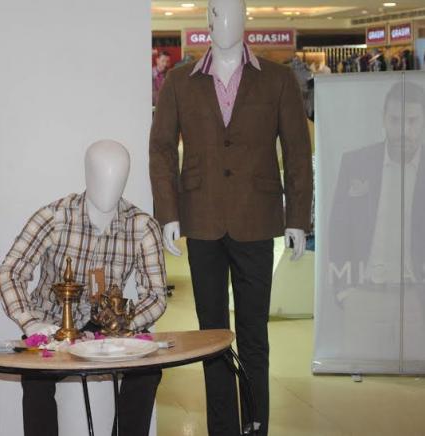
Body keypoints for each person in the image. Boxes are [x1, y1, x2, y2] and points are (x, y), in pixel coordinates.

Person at [149, 0, 313, 434]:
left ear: (246, 19)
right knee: (211, 337)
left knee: (254, 335)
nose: (227, 21)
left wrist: (298, 217)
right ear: (208, 19)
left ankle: (255, 425)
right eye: (219, 13)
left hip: (256, 219)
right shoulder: (180, 81)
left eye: (235, 12)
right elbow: (161, 149)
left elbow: (297, 152)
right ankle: (221, 428)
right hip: (201, 220)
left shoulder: (277, 79)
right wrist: (168, 212)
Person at [0, 140, 167, 436]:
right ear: (88, 175)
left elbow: (156, 295)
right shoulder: (54, 217)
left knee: (148, 370)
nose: (110, 186)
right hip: (52, 322)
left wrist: (123, 323)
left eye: (118, 178)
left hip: (108, 321)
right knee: (35, 377)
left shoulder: (142, 226)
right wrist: (31, 323)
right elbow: (10, 272)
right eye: (102, 176)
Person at [329, 81, 425, 363]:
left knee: (415, 384)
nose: (404, 130)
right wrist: (345, 292)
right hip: (364, 294)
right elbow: (338, 228)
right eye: (395, 120)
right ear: (384, 119)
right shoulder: (356, 162)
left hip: (418, 297)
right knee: (360, 380)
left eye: (412, 121)